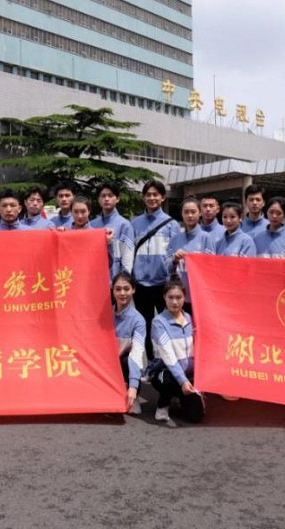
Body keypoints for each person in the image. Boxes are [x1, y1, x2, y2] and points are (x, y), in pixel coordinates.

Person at [131, 180, 180, 357]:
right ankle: (151, 361)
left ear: (163, 197)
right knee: (144, 325)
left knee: (167, 325)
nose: (152, 198)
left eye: (155, 194)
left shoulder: (172, 224)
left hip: (163, 284)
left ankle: (170, 361)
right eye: (148, 195)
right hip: (141, 284)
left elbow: (174, 254)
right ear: (143, 197)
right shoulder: (134, 223)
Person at [148, 279, 204, 423]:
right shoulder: (158, 322)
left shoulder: (189, 318)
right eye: (170, 297)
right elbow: (169, 357)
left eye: (178, 297)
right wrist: (183, 381)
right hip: (165, 372)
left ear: (184, 297)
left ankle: (180, 397)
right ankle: (163, 404)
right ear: (164, 298)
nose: (174, 302)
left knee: (196, 416)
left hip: (188, 376)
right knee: (170, 379)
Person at [165, 196, 215, 315]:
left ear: (200, 213)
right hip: (179, 294)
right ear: (182, 214)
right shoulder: (175, 239)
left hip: (199, 294)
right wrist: (174, 260)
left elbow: (211, 268)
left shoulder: (206, 238)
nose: (190, 215)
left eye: (193, 212)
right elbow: (167, 268)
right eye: (186, 212)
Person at [112, 272, 147, 415]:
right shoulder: (105, 314)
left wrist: (133, 386)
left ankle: (134, 395)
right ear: (113, 290)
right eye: (118, 289)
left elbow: (137, 353)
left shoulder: (138, 320)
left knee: (128, 360)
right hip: (108, 362)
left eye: (126, 289)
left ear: (133, 290)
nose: (122, 293)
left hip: (126, 361)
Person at [90, 183, 135, 282]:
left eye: (110, 196)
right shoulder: (92, 225)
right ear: (98, 200)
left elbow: (127, 257)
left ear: (117, 199)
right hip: (95, 281)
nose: (106, 199)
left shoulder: (124, 225)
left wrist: (124, 281)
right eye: (103, 196)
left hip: (115, 282)